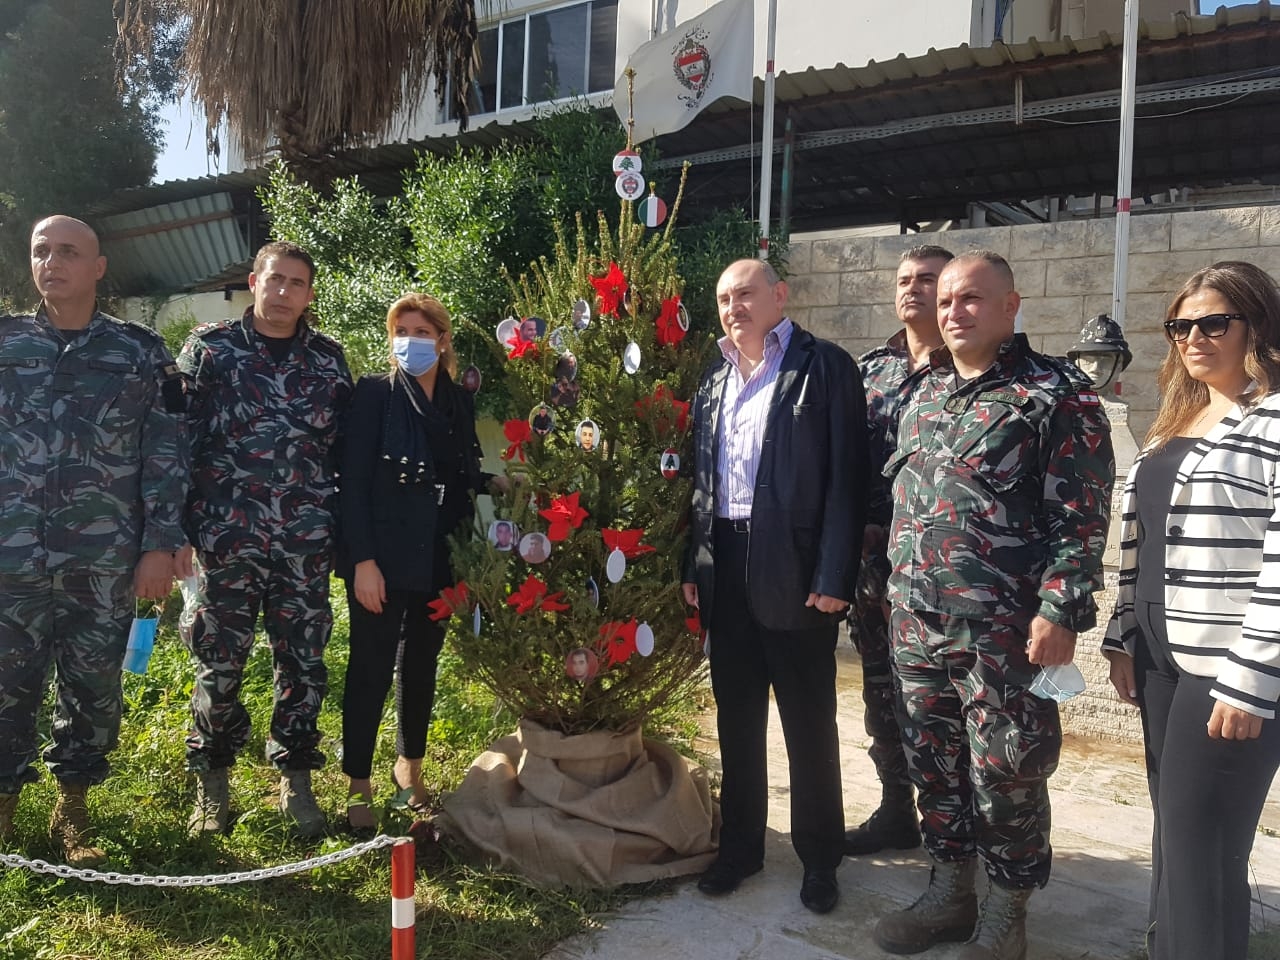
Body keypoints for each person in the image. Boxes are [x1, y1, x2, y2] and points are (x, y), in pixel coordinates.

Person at [873, 251, 1114, 959]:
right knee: (934, 763)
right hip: (918, 622)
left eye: (972, 299)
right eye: (946, 301)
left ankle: (1007, 914)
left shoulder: (1055, 394)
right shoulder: (924, 393)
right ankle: (950, 893)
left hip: (1008, 630)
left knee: (1009, 768)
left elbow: (1081, 515)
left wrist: (1062, 611)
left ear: (1011, 306)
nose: (953, 312)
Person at [1102, 261, 1280, 960]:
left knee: (1202, 849)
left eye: (1214, 323)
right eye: (1181, 326)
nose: (1193, 338)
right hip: (1159, 658)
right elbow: (1140, 535)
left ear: (1257, 325)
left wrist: (1251, 677)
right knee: (1173, 836)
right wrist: (1123, 633)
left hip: (1227, 664)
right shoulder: (1179, 416)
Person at [0, 216, 188, 866]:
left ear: (99, 268)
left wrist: (161, 543)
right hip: (10, 558)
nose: (53, 263)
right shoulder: (4, 344)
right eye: (42, 252)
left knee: (93, 689)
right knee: (6, 687)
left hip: (103, 562)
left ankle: (71, 813)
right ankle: (2, 811)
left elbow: (166, 453)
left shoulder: (140, 352)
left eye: (69, 253)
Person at [682, 258, 867, 914]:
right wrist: (693, 568)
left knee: (809, 725)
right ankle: (741, 850)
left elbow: (849, 478)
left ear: (779, 297)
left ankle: (820, 859)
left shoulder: (825, 366)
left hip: (798, 571)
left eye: (746, 293)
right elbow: (700, 482)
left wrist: (833, 575)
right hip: (725, 568)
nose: (735, 306)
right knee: (736, 722)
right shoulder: (712, 373)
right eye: (724, 297)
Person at [177, 241, 353, 838]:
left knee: (304, 664)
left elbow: (344, 454)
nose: (283, 293)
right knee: (217, 663)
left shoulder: (329, 361)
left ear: (309, 294)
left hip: (303, 543)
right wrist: (177, 534)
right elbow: (181, 443)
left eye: (296, 283)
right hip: (226, 541)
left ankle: (296, 778)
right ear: (254, 281)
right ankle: (212, 777)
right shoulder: (211, 350)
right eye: (274, 279)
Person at [338, 293, 497, 829]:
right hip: (381, 558)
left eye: (422, 332)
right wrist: (362, 560)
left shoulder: (458, 401)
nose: (411, 341)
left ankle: (410, 768)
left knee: (421, 666)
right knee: (370, 667)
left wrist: (494, 482)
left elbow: (457, 471)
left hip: (440, 555)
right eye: (401, 330)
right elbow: (353, 485)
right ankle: (358, 781)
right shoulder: (375, 396)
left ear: (443, 340)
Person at [846, 243, 952, 857]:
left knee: (937, 703)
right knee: (881, 691)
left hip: (942, 572)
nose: (913, 288)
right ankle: (894, 808)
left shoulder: (968, 366)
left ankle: (953, 837)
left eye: (928, 279)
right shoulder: (870, 370)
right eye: (906, 279)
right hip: (872, 570)